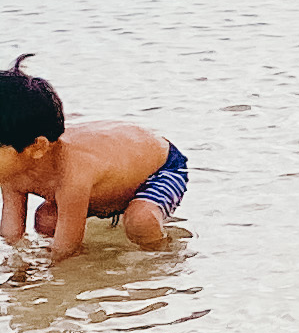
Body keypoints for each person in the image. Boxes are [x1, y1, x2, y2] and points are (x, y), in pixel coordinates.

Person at [0, 57, 188, 260]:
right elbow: (11, 235)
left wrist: (47, 273)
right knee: (46, 221)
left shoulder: (72, 173)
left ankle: (164, 256)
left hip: (162, 167)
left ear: (37, 147)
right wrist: (16, 268)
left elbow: (66, 248)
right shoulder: (11, 171)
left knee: (140, 221)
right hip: (109, 181)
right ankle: (99, 256)